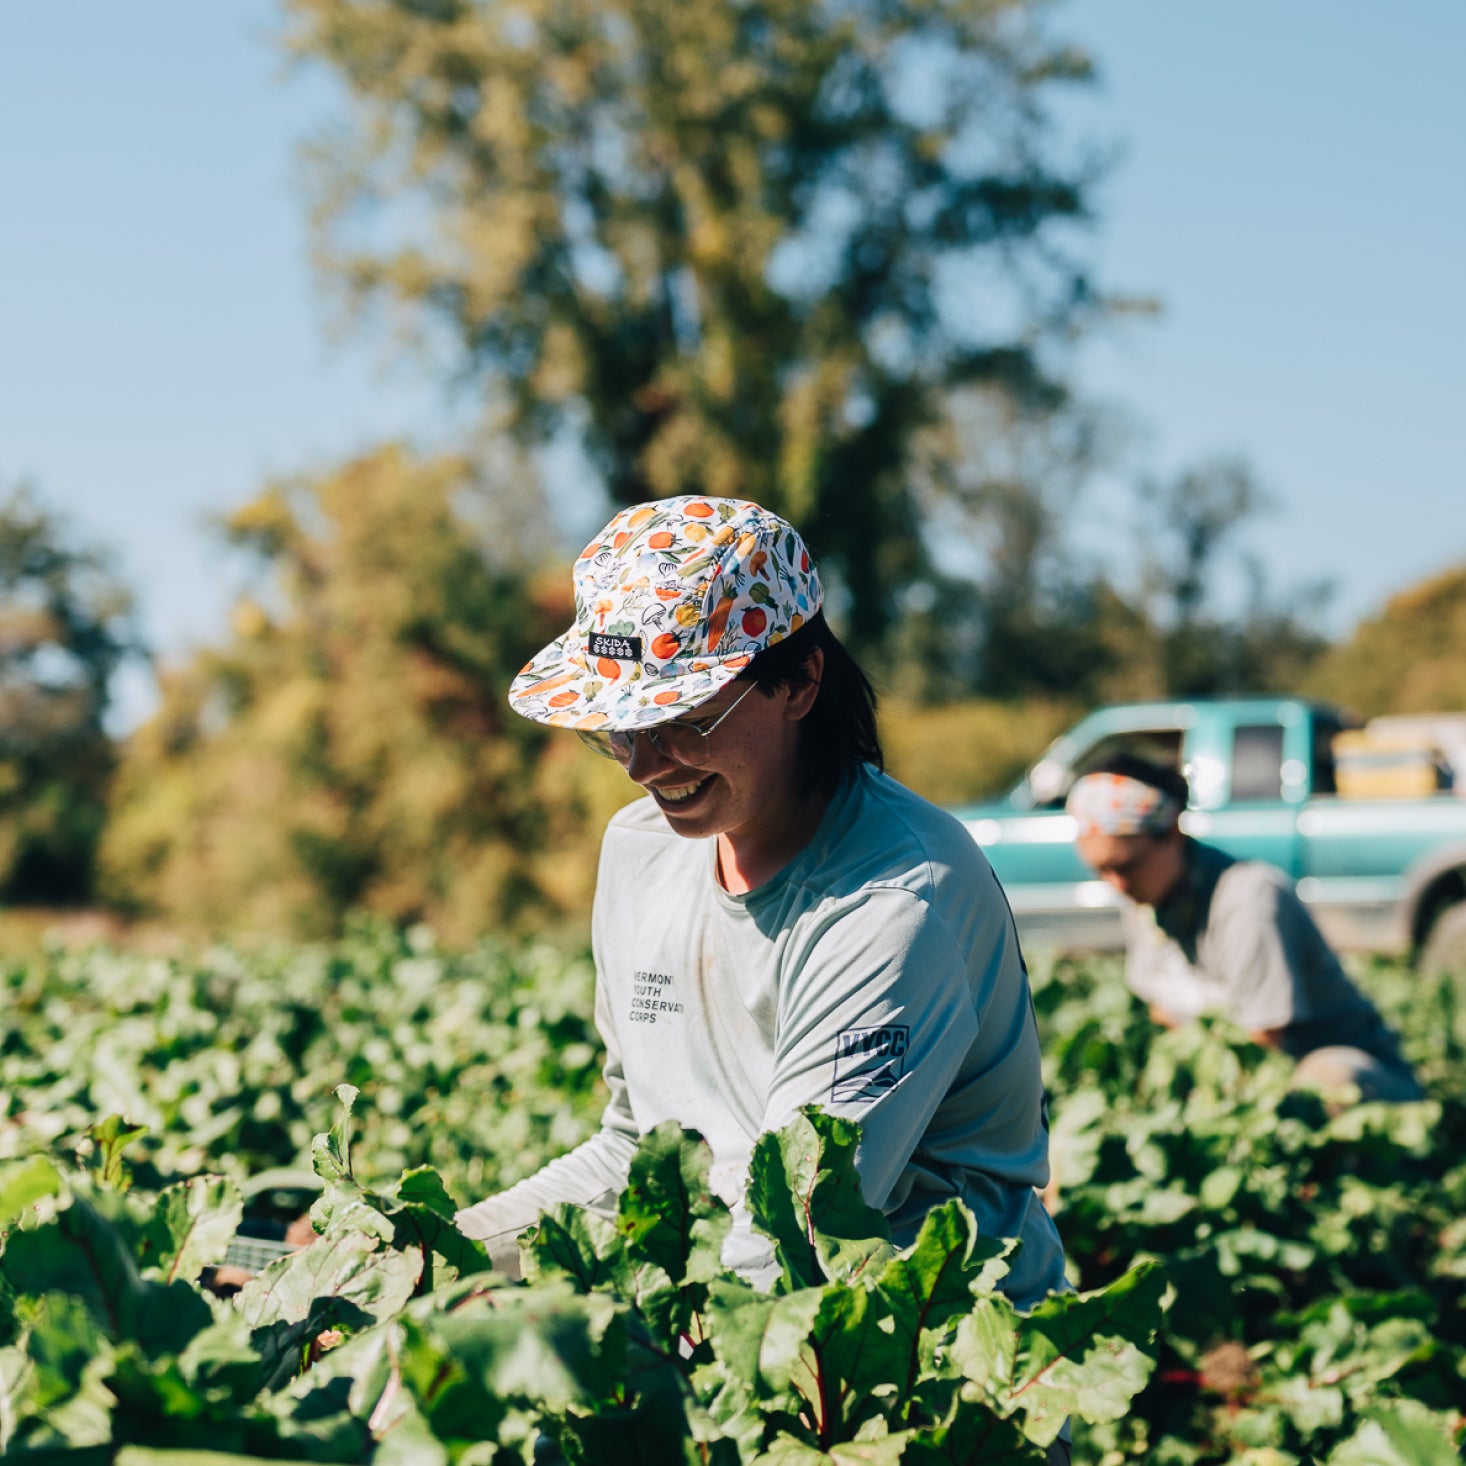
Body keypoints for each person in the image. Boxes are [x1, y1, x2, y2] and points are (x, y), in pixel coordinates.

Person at [455, 494, 1068, 1317]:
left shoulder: (893, 902)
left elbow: (793, 1236)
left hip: (921, 1368)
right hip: (736, 1311)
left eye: (680, 719)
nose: (642, 764)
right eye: (615, 730)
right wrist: (439, 1255)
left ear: (800, 682)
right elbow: (636, 1154)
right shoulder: (640, 852)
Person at [1064, 754, 1422, 1102]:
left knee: (1324, 1081)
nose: (1117, 885)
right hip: (1244, 1081)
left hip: (1354, 1077)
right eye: (1100, 871)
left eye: (1125, 867)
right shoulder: (1142, 895)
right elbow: (1161, 1010)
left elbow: (1263, 1042)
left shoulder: (1248, 900)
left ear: (1172, 831)